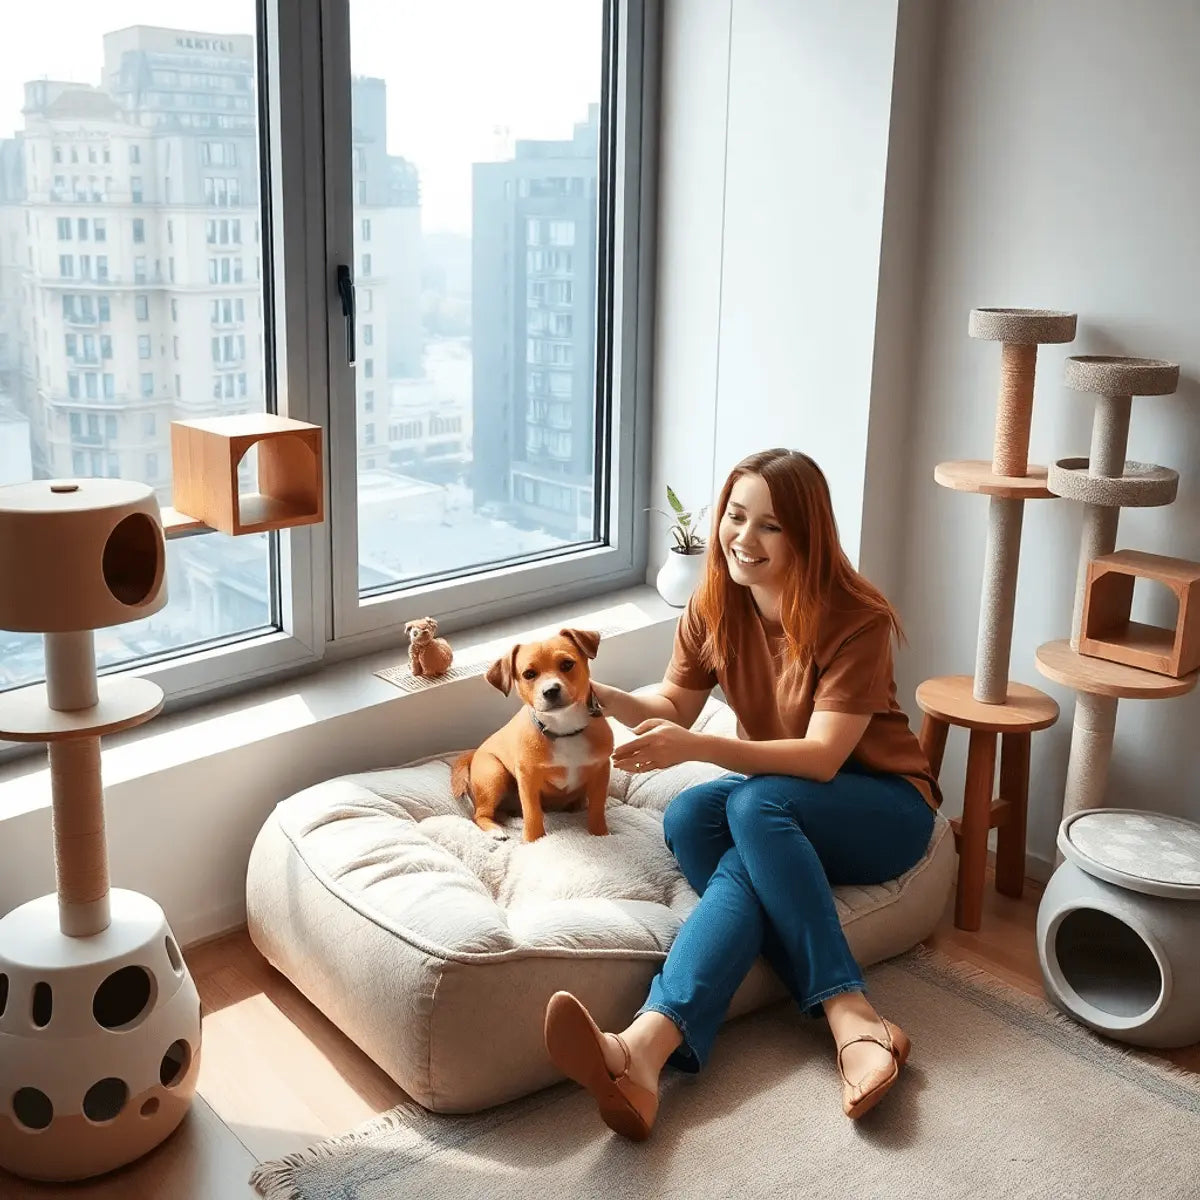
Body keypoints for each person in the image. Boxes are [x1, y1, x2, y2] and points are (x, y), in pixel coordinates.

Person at [541, 448, 941, 1140]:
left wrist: (694, 748)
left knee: (754, 805)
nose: (743, 540)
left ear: (807, 537)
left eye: (771, 527)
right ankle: (642, 1059)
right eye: (735, 515)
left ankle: (845, 1015)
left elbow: (819, 759)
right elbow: (674, 702)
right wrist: (594, 694)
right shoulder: (714, 605)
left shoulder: (857, 620)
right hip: (791, 803)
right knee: (695, 816)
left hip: (884, 807)